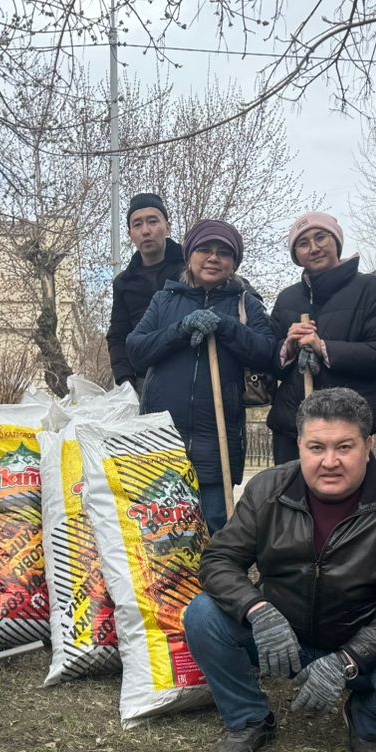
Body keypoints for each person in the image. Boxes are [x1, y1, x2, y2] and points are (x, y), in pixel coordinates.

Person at [185, 387, 376, 752]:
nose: (329, 461)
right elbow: (219, 560)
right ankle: (249, 719)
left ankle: (366, 718)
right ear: (299, 445)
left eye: (344, 447)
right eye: (316, 448)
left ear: (368, 445)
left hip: (365, 644)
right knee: (203, 614)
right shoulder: (267, 489)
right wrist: (258, 611)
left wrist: (347, 659)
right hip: (280, 637)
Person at [124, 220, 278, 533]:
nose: (213, 258)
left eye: (224, 253)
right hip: (163, 439)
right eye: (205, 249)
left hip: (217, 443)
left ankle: (214, 584)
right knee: (162, 533)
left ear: (234, 262)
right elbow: (136, 350)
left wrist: (225, 326)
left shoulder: (245, 303)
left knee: (214, 530)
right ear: (190, 255)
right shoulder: (165, 300)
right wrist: (181, 329)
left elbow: (267, 353)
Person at [267, 211, 376, 464]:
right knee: (288, 502)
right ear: (296, 254)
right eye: (303, 243)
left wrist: (323, 348)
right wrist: (288, 347)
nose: (314, 248)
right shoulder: (288, 298)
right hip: (292, 430)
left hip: (346, 429)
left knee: (345, 502)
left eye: (321, 237)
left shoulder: (369, 289)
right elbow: (271, 363)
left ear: (337, 242)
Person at [107, 193, 186, 388]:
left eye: (153, 221)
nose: (146, 231)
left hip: (189, 375)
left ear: (167, 227)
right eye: (137, 225)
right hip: (145, 381)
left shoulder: (191, 270)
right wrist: (125, 379)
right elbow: (117, 336)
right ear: (130, 233)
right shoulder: (123, 283)